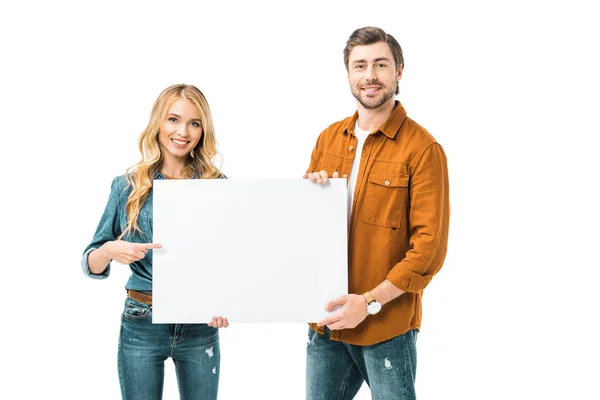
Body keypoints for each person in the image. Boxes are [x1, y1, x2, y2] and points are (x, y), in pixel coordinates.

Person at [304, 27, 450, 399]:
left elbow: (428, 250)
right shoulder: (328, 139)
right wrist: (308, 195)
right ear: (349, 74)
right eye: (360, 65)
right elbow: (307, 232)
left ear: (399, 71)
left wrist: (368, 303)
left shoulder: (423, 149)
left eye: (380, 64)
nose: (370, 75)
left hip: (386, 328)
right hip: (327, 325)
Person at [81, 84, 229, 400]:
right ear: (158, 124)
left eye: (194, 123)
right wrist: (110, 250)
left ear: (203, 131)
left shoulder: (218, 186)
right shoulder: (127, 186)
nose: (183, 131)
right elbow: (91, 261)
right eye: (173, 119)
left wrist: (223, 300)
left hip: (199, 324)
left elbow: (228, 258)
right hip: (141, 320)